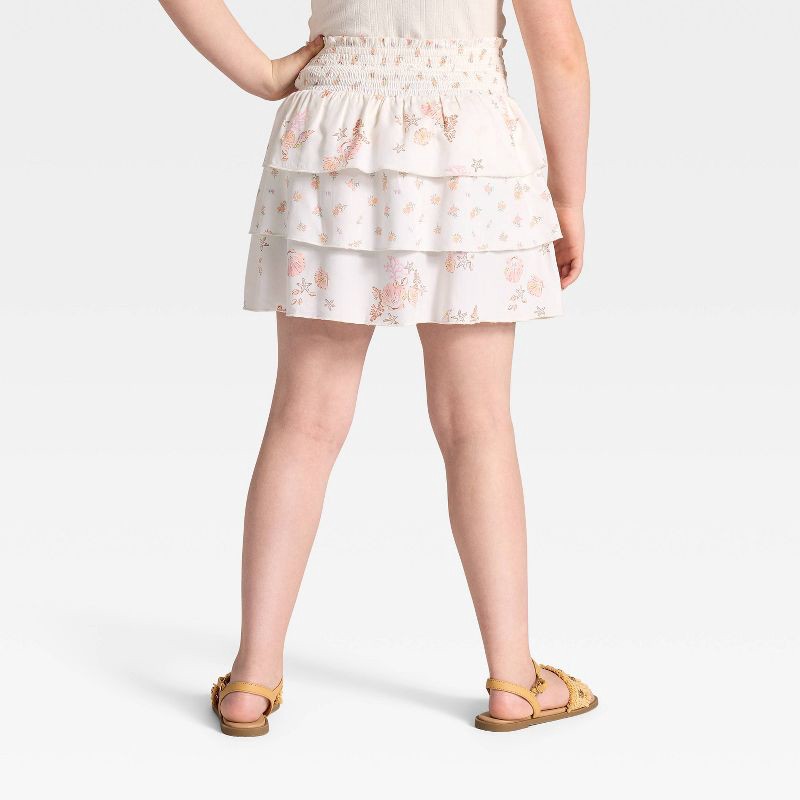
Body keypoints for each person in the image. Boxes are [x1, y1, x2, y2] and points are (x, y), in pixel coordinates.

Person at [159, 0, 595, 736]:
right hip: (468, 153)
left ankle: (252, 679)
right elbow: (561, 53)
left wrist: (261, 73)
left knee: (303, 421)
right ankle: (514, 681)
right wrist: (569, 198)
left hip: (331, 137)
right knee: (477, 426)